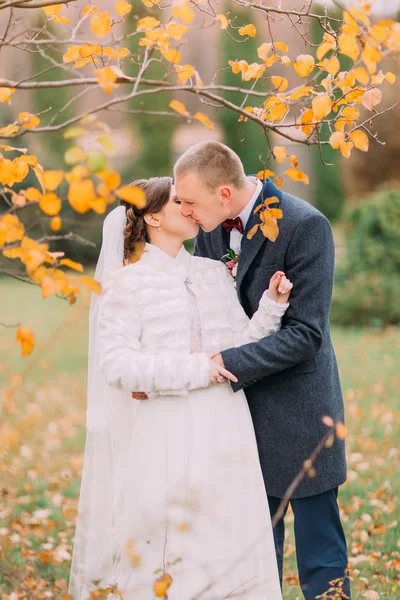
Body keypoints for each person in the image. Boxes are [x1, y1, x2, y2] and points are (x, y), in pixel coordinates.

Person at [68, 176, 293, 600]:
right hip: (167, 429)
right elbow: (117, 366)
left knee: (228, 535)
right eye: (179, 202)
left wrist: (271, 306)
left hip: (227, 425)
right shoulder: (125, 283)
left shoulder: (212, 273)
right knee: (173, 546)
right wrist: (197, 370)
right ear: (153, 215)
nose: (192, 207)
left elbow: (239, 345)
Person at [171, 140, 350, 600]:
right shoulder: (210, 229)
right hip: (237, 416)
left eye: (190, 201)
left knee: (320, 553)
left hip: (300, 411)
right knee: (252, 551)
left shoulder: (305, 225)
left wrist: (226, 362)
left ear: (225, 194)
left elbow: (306, 334)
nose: (185, 211)